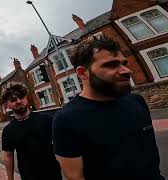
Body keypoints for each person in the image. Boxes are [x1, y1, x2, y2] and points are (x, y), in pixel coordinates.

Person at [52, 37, 165, 180]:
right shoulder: (66, 119)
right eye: (111, 65)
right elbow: (75, 177)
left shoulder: (136, 100)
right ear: (82, 73)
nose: (126, 70)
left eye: (124, 63)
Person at [1, 83, 62, 180]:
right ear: (7, 104)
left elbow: (63, 143)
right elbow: (8, 156)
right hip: (28, 176)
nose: (19, 101)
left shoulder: (46, 119)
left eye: (21, 97)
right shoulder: (8, 131)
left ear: (26, 98)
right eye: (13, 100)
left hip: (53, 174)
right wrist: (10, 178)